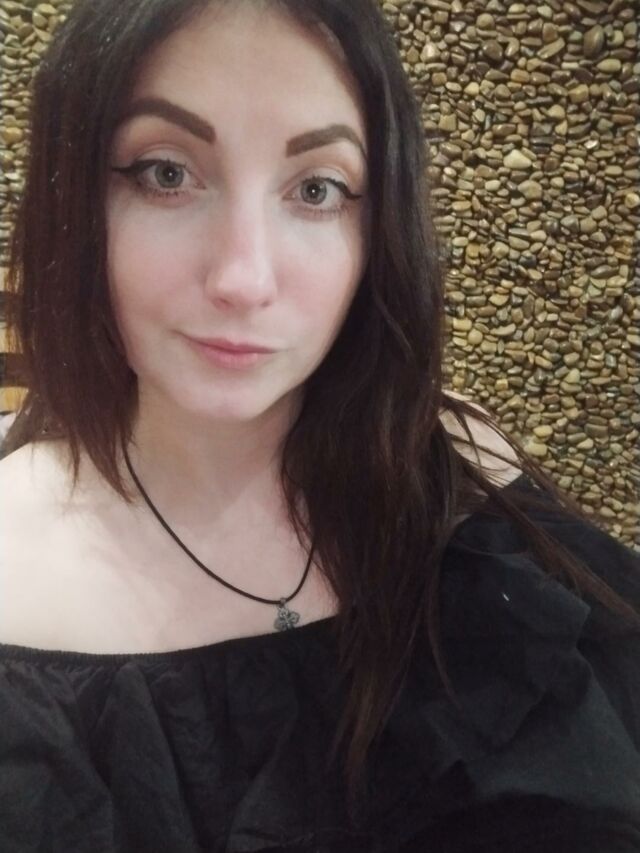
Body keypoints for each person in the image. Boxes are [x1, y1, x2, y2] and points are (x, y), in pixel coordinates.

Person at [1, 0, 639, 850]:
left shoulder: (462, 481)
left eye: (316, 189)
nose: (243, 278)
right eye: (165, 172)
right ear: (73, 200)